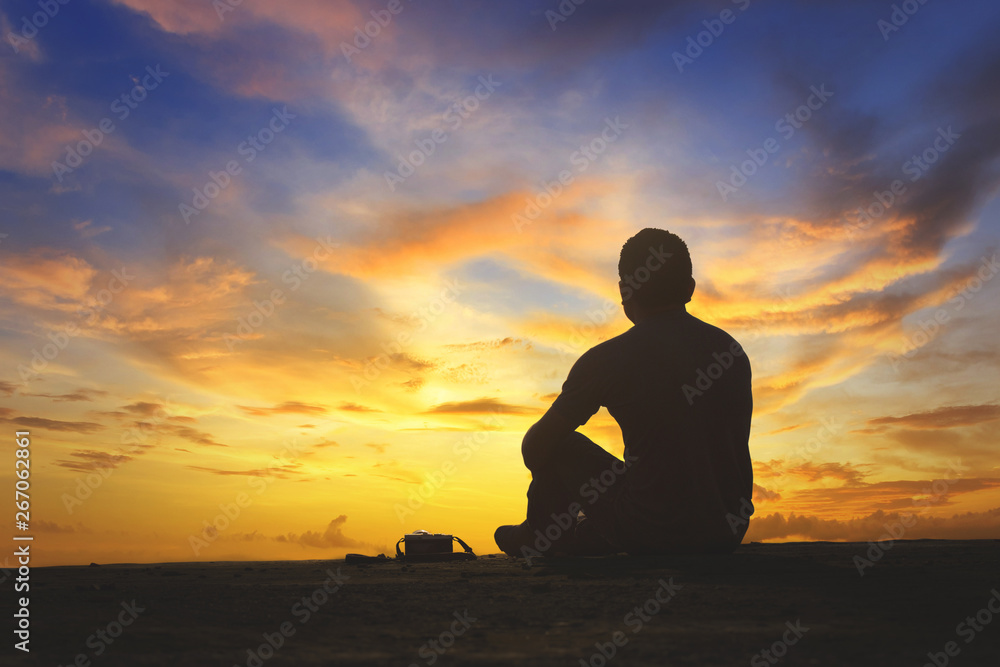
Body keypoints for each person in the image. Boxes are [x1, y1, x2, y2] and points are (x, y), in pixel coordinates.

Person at [494, 228, 754, 559]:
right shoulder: (730, 351)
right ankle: (575, 532)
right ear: (689, 289)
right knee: (603, 519)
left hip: (651, 529)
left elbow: (536, 449)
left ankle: (540, 534)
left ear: (624, 290)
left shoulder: (607, 360)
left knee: (560, 445)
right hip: (725, 532)